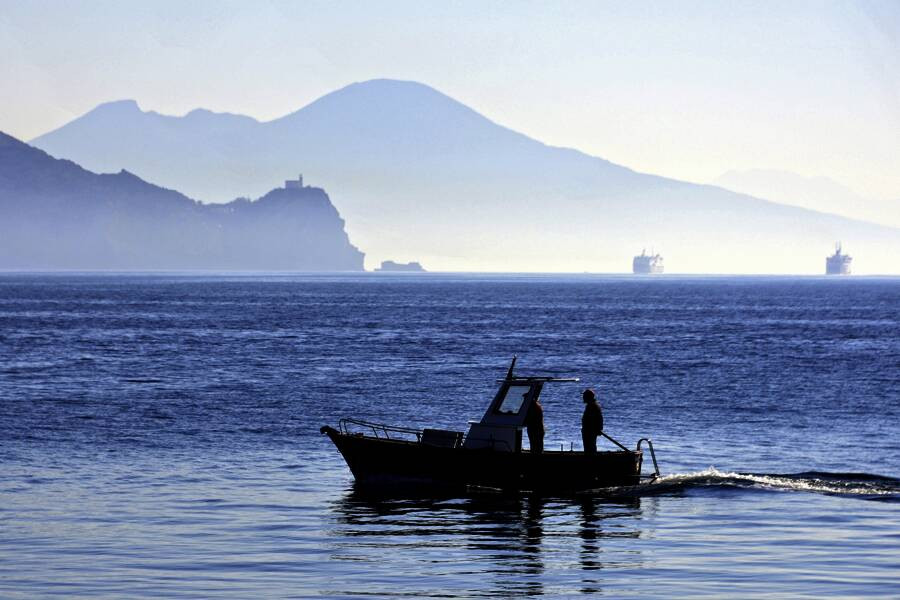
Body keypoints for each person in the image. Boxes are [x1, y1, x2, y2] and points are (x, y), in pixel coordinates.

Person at [581, 388, 603, 453]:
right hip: (588, 431)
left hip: (590, 431)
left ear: (588, 397)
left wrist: (599, 429)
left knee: (590, 448)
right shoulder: (591, 405)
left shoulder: (593, 406)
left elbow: (599, 419)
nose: (583, 397)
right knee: (589, 448)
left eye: (584, 396)